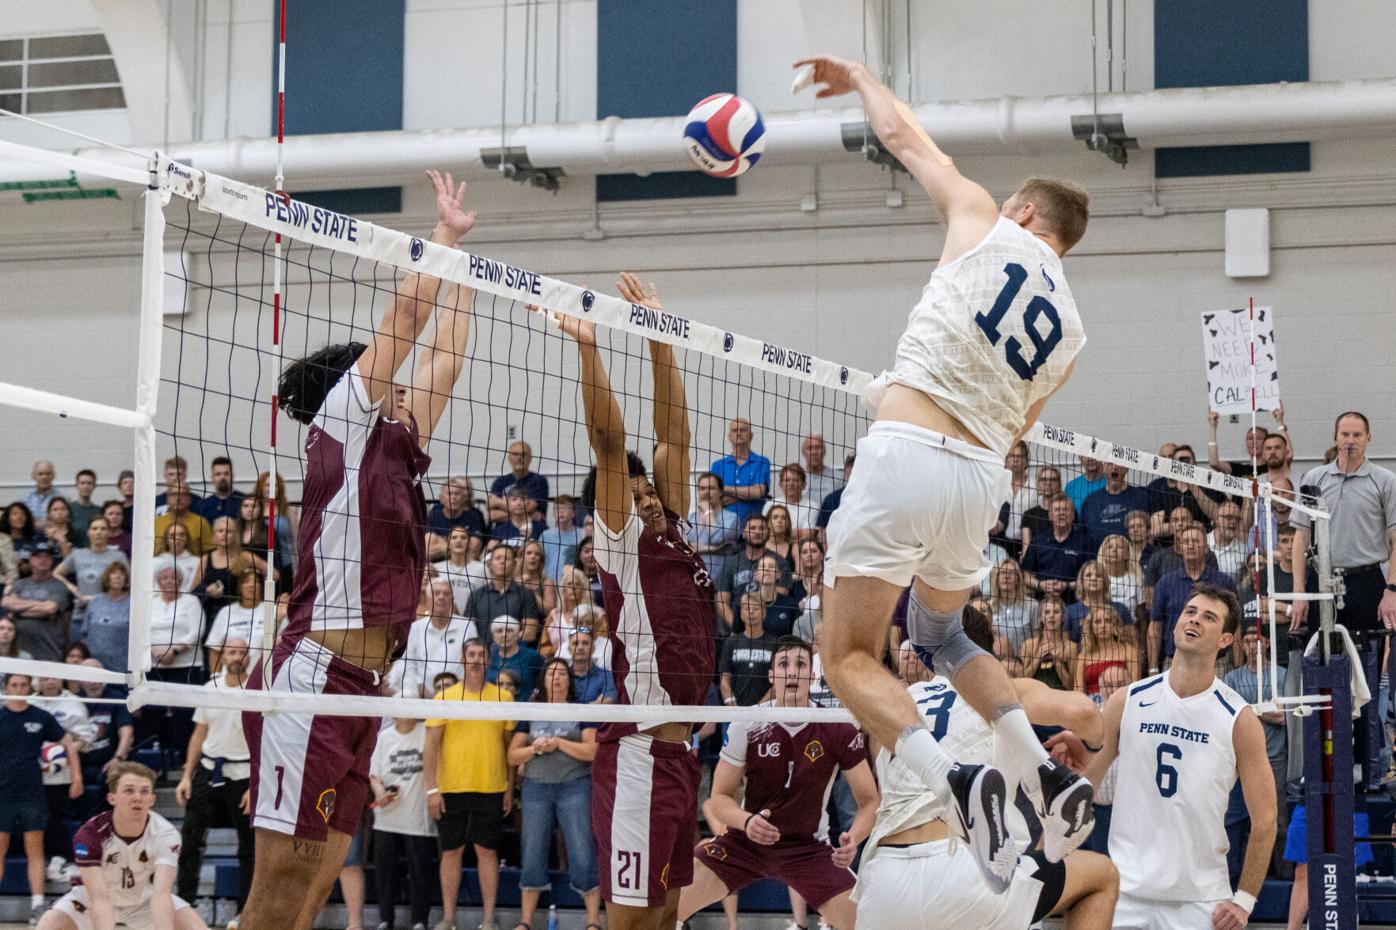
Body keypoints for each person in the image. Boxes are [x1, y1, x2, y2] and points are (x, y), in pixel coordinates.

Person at [798, 52, 1096, 893]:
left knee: (849, 654)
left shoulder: (984, 218)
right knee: (940, 636)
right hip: (979, 481)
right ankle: (1037, 770)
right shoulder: (1071, 334)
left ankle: (957, 784)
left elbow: (902, 135)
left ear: (1024, 210)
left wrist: (859, 78)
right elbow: (1017, 424)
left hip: (907, 454)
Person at [238, 169, 479, 930]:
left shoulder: (396, 446)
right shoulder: (342, 418)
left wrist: (463, 267)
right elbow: (409, 318)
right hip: (313, 678)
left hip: (364, 689)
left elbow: (445, 358)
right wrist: (438, 238)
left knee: (318, 886)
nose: (405, 386)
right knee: (279, 889)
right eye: (390, 380)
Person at [551, 272, 715, 930]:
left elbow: (674, 437)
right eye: (637, 495)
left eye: (652, 495)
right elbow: (611, 445)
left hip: (681, 757)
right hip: (641, 752)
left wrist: (658, 334)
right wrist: (590, 349)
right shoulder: (620, 543)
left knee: (668, 916)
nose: (648, 501)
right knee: (630, 922)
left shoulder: (672, 529)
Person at [854, 608, 1118, 930]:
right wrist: (1085, 745)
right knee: (1101, 876)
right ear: (983, 654)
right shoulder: (998, 690)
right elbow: (1088, 714)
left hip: (884, 882)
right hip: (967, 870)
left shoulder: (899, 701)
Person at [1048, 584, 1275, 930]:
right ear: (1176, 624)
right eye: (1191, 612)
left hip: (1200, 899)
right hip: (1124, 893)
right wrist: (1077, 764)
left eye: (1209, 617)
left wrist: (1244, 899)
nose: (1195, 620)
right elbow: (1088, 785)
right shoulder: (1127, 699)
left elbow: (1266, 819)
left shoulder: (1238, 718)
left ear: (1225, 640)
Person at [679, 637, 878, 930]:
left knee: (865, 923)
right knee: (668, 906)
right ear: (771, 675)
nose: (793, 671)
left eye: (801, 664)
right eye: (784, 664)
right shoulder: (748, 723)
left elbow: (870, 801)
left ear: (812, 675)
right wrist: (747, 822)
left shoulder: (837, 726)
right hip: (744, 844)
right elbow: (718, 798)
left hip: (807, 848)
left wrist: (855, 837)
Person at [1289, 410, 1396, 793]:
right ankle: (1322, 764)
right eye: (1344, 434)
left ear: (1368, 438)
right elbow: (1300, 538)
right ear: (1335, 438)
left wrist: (1391, 590)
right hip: (1324, 583)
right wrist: (1302, 592)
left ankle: (1369, 767)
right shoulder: (1314, 480)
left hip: (1368, 581)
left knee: (1367, 673)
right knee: (1321, 669)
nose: (1349, 440)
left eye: (1356, 434)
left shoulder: (1385, 481)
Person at [38, 762, 207, 930]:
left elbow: (161, 895)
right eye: (129, 790)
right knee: (51, 922)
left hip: (144, 900)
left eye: (144, 791)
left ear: (152, 799)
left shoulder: (166, 834)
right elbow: (100, 899)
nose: (137, 797)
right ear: (112, 798)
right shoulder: (90, 834)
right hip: (91, 899)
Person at [423, 638, 514, 930]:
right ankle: (449, 918)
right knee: (451, 852)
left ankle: (488, 920)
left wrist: (509, 787)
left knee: (487, 852)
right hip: (451, 787)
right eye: (471, 655)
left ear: (489, 661)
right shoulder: (445, 697)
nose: (476, 660)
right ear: (462, 661)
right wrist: (432, 788)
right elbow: (430, 746)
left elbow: (508, 746)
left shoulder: (503, 697)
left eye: (481, 655)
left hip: (490, 786)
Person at [508, 658, 603, 930]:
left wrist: (558, 743)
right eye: (552, 673)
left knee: (583, 853)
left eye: (562, 673)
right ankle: (525, 922)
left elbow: (592, 751)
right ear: (544, 681)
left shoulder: (580, 710)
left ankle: (593, 921)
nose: (557, 678)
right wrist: (536, 749)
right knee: (532, 852)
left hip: (575, 786)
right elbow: (513, 756)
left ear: (569, 681)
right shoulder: (532, 711)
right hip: (536, 788)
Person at [175, 639, 255, 920]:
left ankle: (245, 913)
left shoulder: (257, 691)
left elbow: (264, 740)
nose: (237, 656)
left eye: (242, 652)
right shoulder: (211, 689)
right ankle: (184, 906)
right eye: (232, 651)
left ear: (249, 657)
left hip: (243, 774)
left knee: (249, 847)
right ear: (222, 657)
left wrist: (256, 784)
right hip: (209, 769)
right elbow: (199, 734)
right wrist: (186, 776)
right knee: (190, 842)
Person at [1, 673, 82, 925]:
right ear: (6, 688)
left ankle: (37, 904)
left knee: (35, 850)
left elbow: (68, 744)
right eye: (14, 685)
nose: (19, 688)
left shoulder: (39, 716)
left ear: (30, 687)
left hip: (32, 793)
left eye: (24, 684)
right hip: (2, 793)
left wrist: (76, 777)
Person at [369, 708, 436, 930]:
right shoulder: (384, 737)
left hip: (418, 815)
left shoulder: (426, 732)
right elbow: (373, 774)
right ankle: (385, 919)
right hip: (388, 815)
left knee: (420, 870)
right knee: (385, 871)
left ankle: (419, 920)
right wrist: (380, 793)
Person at [1149, 525, 1236, 672]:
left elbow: (1235, 627)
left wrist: (1237, 664)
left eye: (1196, 541)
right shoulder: (1166, 582)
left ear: (1206, 548)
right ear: (1180, 548)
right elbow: (1155, 626)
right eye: (1186, 542)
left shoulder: (1224, 582)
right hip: (1174, 662)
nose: (1190, 545)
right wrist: (1152, 668)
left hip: (1216, 663)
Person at [396, 579, 478, 699]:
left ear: (452, 600)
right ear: (428, 600)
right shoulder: (415, 628)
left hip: (460, 696)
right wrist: (418, 689)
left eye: (446, 593)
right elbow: (408, 664)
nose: (441, 597)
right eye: (437, 593)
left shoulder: (467, 626)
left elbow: (473, 662)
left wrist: (460, 691)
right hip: (422, 697)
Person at [55, 516, 128, 636]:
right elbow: (56, 574)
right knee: (77, 652)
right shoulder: (78, 555)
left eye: (103, 529)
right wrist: (72, 588)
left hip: (108, 617)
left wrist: (96, 599)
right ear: (88, 532)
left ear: (109, 533)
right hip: (80, 614)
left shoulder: (118, 556)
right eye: (94, 528)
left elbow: (127, 586)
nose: (98, 532)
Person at [2, 542, 74, 661]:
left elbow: (49, 609)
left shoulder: (59, 586)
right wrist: (40, 605)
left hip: (48, 649)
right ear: (30, 560)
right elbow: (6, 603)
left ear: (52, 560)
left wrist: (18, 609)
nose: (43, 560)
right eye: (38, 556)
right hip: (19, 649)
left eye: (47, 556)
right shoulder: (20, 584)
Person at [1022, 494, 1093, 601]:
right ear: (1050, 516)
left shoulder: (1085, 542)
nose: (1061, 514)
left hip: (1075, 604)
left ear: (1073, 515)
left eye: (1066, 510)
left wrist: (1067, 586)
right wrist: (1040, 585)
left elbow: (1091, 578)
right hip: (1043, 603)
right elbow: (1026, 576)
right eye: (1057, 510)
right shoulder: (1038, 541)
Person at [466, 545, 543, 639]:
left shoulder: (526, 594)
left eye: (507, 559)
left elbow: (530, 632)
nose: (502, 561)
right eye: (498, 558)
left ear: (514, 564)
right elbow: (468, 631)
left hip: (514, 652)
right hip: (482, 652)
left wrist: (506, 644)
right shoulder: (476, 595)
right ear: (489, 563)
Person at [205, 568, 273, 671]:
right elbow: (214, 648)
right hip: (231, 678)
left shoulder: (271, 610)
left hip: (262, 676)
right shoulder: (226, 612)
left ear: (262, 586)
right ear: (240, 587)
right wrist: (216, 676)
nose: (251, 585)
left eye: (255, 582)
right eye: (246, 581)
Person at [721, 591, 778, 707]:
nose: (751, 612)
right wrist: (732, 706)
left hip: (765, 712)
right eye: (747, 608)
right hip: (735, 711)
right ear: (741, 614)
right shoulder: (731, 642)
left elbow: (777, 683)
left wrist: (757, 710)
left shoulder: (774, 643)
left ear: (764, 613)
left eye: (756, 608)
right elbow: (724, 681)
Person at [1081, 464, 1152, 547]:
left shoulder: (1141, 497)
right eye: (1110, 463)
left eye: (1119, 462)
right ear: (1104, 467)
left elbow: (1150, 533)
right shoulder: (1091, 501)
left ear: (1126, 468)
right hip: (1097, 558)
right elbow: (1083, 535)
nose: (1114, 467)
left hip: (1132, 557)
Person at [1072, 608, 1138, 697]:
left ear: (1115, 624)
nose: (1103, 625)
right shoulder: (1083, 657)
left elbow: (1135, 686)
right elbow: (1078, 693)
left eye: (1108, 621)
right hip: (1093, 705)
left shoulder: (1129, 650)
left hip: (1121, 701)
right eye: (1097, 622)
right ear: (1091, 627)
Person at [687, 473, 740, 578]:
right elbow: (685, 547)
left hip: (720, 581)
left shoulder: (732, 518)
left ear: (720, 492)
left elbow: (717, 538)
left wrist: (708, 512)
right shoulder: (690, 518)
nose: (706, 492)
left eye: (711, 488)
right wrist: (714, 549)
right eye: (702, 488)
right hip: (693, 578)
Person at [426, 476, 488, 561]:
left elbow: (473, 553)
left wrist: (445, 546)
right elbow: (427, 553)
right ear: (441, 498)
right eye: (449, 494)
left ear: (464, 498)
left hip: (466, 567)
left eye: (457, 494)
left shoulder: (474, 516)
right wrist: (461, 546)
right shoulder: (434, 515)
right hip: (438, 565)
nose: (453, 497)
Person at [488, 441, 550, 525]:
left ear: (530, 458)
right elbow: (491, 515)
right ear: (509, 458)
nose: (519, 457)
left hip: (531, 529)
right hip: (503, 531)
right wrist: (528, 515)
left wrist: (498, 502)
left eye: (523, 454)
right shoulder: (500, 481)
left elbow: (529, 507)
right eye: (515, 454)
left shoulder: (539, 481)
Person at [432, 526, 488, 614]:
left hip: (472, 620)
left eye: (463, 537)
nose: (459, 541)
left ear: (469, 543)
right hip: (443, 619)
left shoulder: (482, 569)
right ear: (448, 543)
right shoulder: (437, 568)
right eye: (454, 537)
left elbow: (486, 598)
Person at [486, 614, 544, 696]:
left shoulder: (531, 656)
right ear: (493, 636)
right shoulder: (488, 656)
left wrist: (535, 694)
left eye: (509, 630)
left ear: (517, 635)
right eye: (499, 631)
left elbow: (544, 677)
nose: (504, 635)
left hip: (523, 706)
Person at [154, 481, 215, 557]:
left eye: (183, 494)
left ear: (189, 498)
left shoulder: (201, 523)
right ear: (167, 498)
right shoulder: (157, 523)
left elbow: (209, 554)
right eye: (174, 494)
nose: (178, 498)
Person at [764, 463, 819, 539]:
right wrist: (799, 532)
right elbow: (765, 533)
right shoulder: (770, 504)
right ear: (781, 485)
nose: (791, 484)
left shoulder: (813, 506)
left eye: (795, 480)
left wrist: (779, 533)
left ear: (804, 485)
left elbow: (807, 535)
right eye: (787, 480)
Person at [540, 494, 585, 582]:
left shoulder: (582, 534)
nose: (561, 511)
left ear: (573, 513)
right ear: (553, 513)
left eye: (565, 508)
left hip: (573, 584)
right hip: (550, 584)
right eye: (557, 509)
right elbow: (540, 561)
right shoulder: (545, 535)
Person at [567, 626, 616, 704]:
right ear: (569, 650)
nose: (580, 647)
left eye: (585, 643)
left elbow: (608, 700)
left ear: (593, 648)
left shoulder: (607, 676)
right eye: (575, 643)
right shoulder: (561, 675)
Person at [492, 484, 548, 548]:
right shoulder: (500, 530)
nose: (519, 503)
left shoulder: (540, 528)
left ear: (528, 502)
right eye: (514, 499)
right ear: (508, 502)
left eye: (523, 499)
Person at [193, 456, 246, 524]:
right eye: (218, 474)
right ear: (212, 478)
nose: (222, 477)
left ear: (233, 476)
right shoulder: (202, 506)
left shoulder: (244, 502)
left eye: (226, 474)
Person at [152, 522, 201, 594]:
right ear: (166, 539)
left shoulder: (197, 562)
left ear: (187, 538)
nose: (177, 539)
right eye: (173, 535)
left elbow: (193, 587)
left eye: (182, 535)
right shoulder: (155, 562)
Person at [800, 434, 842, 507]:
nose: (814, 452)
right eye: (810, 448)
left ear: (824, 451)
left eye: (818, 448)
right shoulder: (796, 477)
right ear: (803, 452)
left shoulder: (838, 477)